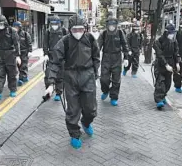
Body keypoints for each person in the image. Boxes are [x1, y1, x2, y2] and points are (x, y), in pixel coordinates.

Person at [45, 14, 100, 149]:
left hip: (87, 75)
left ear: (85, 29)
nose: (77, 32)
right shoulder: (64, 42)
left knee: (91, 108)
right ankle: (74, 134)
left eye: (80, 29)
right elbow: (55, 62)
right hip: (70, 77)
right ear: (70, 30)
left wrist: (95, 74)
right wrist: (51, 83)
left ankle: (86, 122)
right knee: (73, 109)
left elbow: (96, 57)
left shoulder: (90, 39)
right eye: (74, 30)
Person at [98, 18, 130, 106]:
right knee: (104, 79)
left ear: (116, 26)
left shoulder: (120, 33)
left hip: (117, 58)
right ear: (107, 26)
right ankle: (105, 90)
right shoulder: (103, 33)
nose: (111, 27)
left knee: (116, 80)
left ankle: (114, 97)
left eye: (113, 25)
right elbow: (98, 46)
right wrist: (94, 57)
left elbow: (124, 44)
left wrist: (126, 57)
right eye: (110, 26)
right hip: (106, 58)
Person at [153, 24, 181, 110]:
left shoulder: (174, 41)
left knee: (168, 83)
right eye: (170, 33)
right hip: (160, 65)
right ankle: (159, 100)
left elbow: (176, 52)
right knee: (160, 82)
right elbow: (159, 54)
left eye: (173, 33)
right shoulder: (159, 41)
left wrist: (177, 62)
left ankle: (163, 95)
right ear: (166, 32)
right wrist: (166, 64)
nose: (171, 35)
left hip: (171, 64)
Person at [43, 15, 68, 101]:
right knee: (48, 73)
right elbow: (45, 43)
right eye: (52, 24)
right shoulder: (48, 31)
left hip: (61, 56)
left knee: (60, 75)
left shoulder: (64, 31)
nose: (54, 25)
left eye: (55, 24)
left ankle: (58, 92)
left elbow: (68, 43)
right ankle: (49, 89)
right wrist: (45, 53)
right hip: (51, 55)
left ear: (59, 24)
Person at [13, 21, 32, 86]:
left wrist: (29, 51)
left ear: (20, 27)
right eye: (15, 27)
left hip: (24, 53)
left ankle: (21, 78)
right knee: (18, 66)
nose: (16, 28)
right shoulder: (12, 34)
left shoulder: (25, 34)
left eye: (17, 27)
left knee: (23, 66)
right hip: (16, 53)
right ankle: (23, 76)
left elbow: (29, 43)